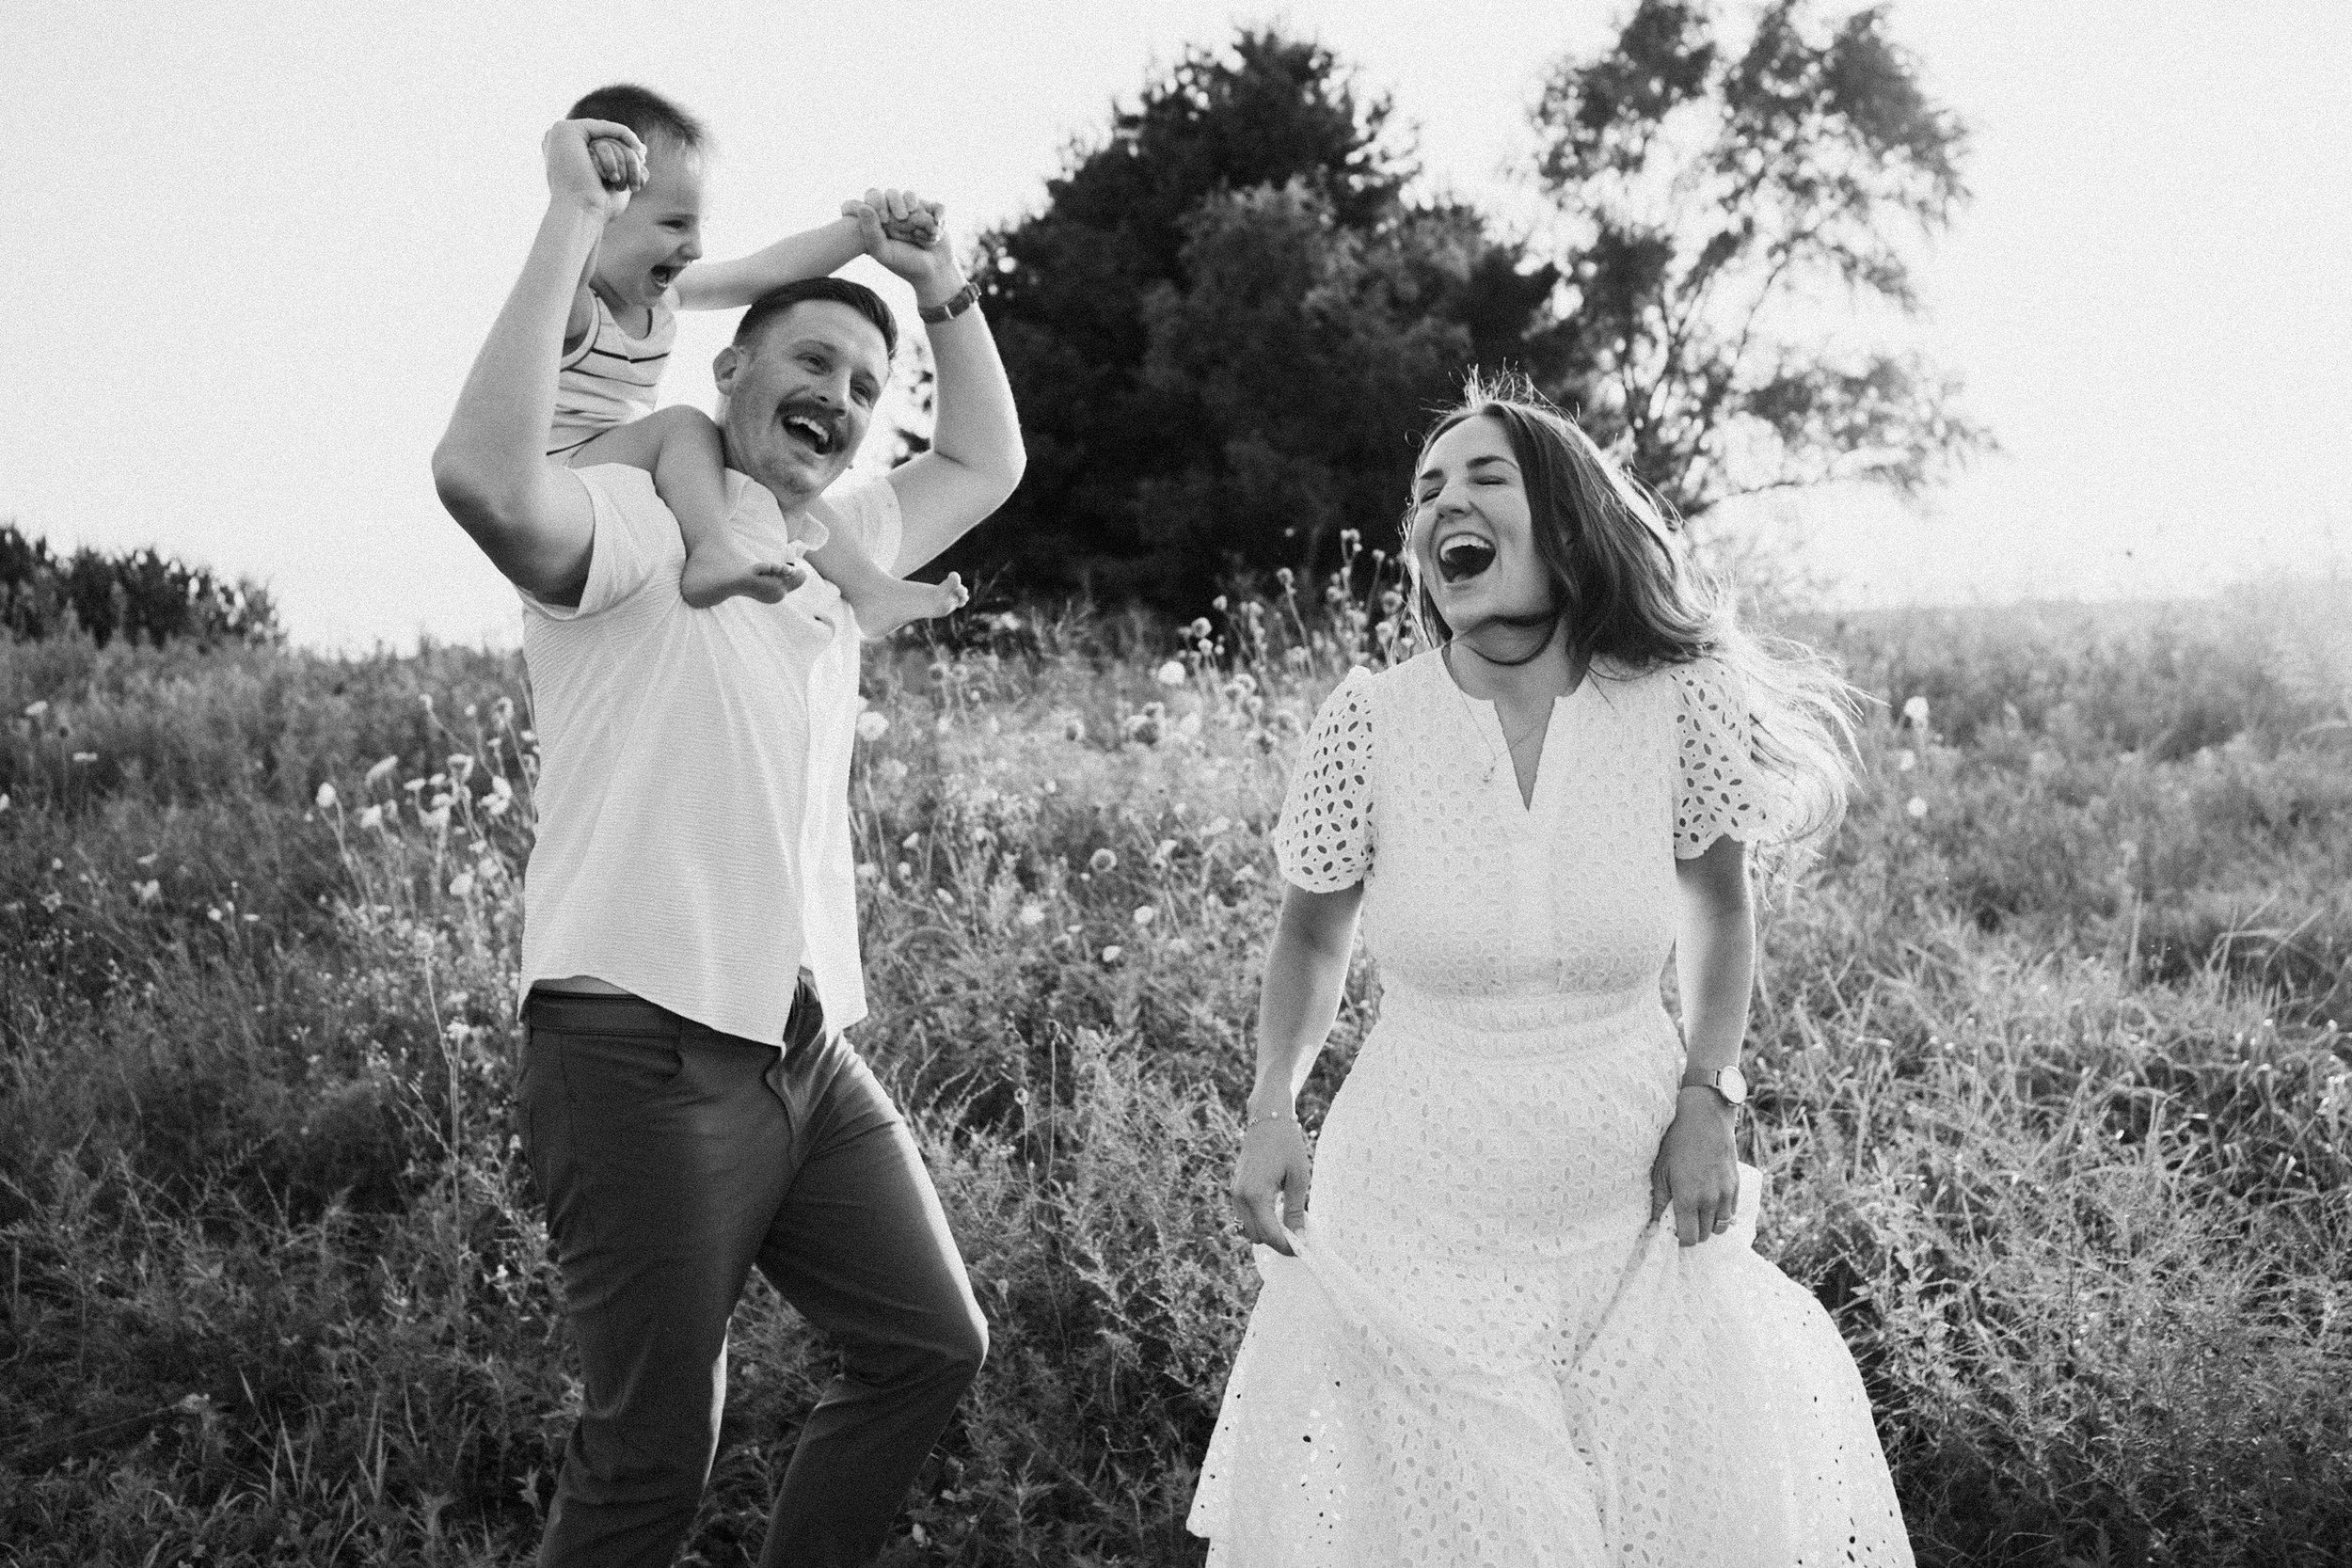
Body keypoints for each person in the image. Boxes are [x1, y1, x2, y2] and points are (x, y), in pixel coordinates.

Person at [1189, 376, 1915, 1566]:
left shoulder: (1677, 704)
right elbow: (1311, 934)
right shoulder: (1368, 722)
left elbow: (1719, 910)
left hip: (1629, 1209)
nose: (1441, 506)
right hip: (1414, 1217)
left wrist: (1707, 1095)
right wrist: (1273, 1104)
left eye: (1483, 478)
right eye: (1426, 491)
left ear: (1565, 516)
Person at [431, 115, 1024, 1568]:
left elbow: (988, 458)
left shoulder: (839, 534)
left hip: (802, 1043)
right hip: (636, 1041)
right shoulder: (635, 514)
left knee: (931, 1341)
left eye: (867, 386)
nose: (841, 393)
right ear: (730, 369)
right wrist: (574, 217)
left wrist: (938, 281)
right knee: (649, 1453)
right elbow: (485, 482)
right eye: (812, 361)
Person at [548, 83, 967, 634]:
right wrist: (570, 161)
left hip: (626, 464)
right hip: (564, 484)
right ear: (604, 210)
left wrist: (863, 233)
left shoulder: (667, 300)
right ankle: (712, 552)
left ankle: (868, 588)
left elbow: (767, 271)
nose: (694, 247)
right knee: (686, 425)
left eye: (697, 227)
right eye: (674, 224)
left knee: (773, 488)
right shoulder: (574, 304)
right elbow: (569, 230)